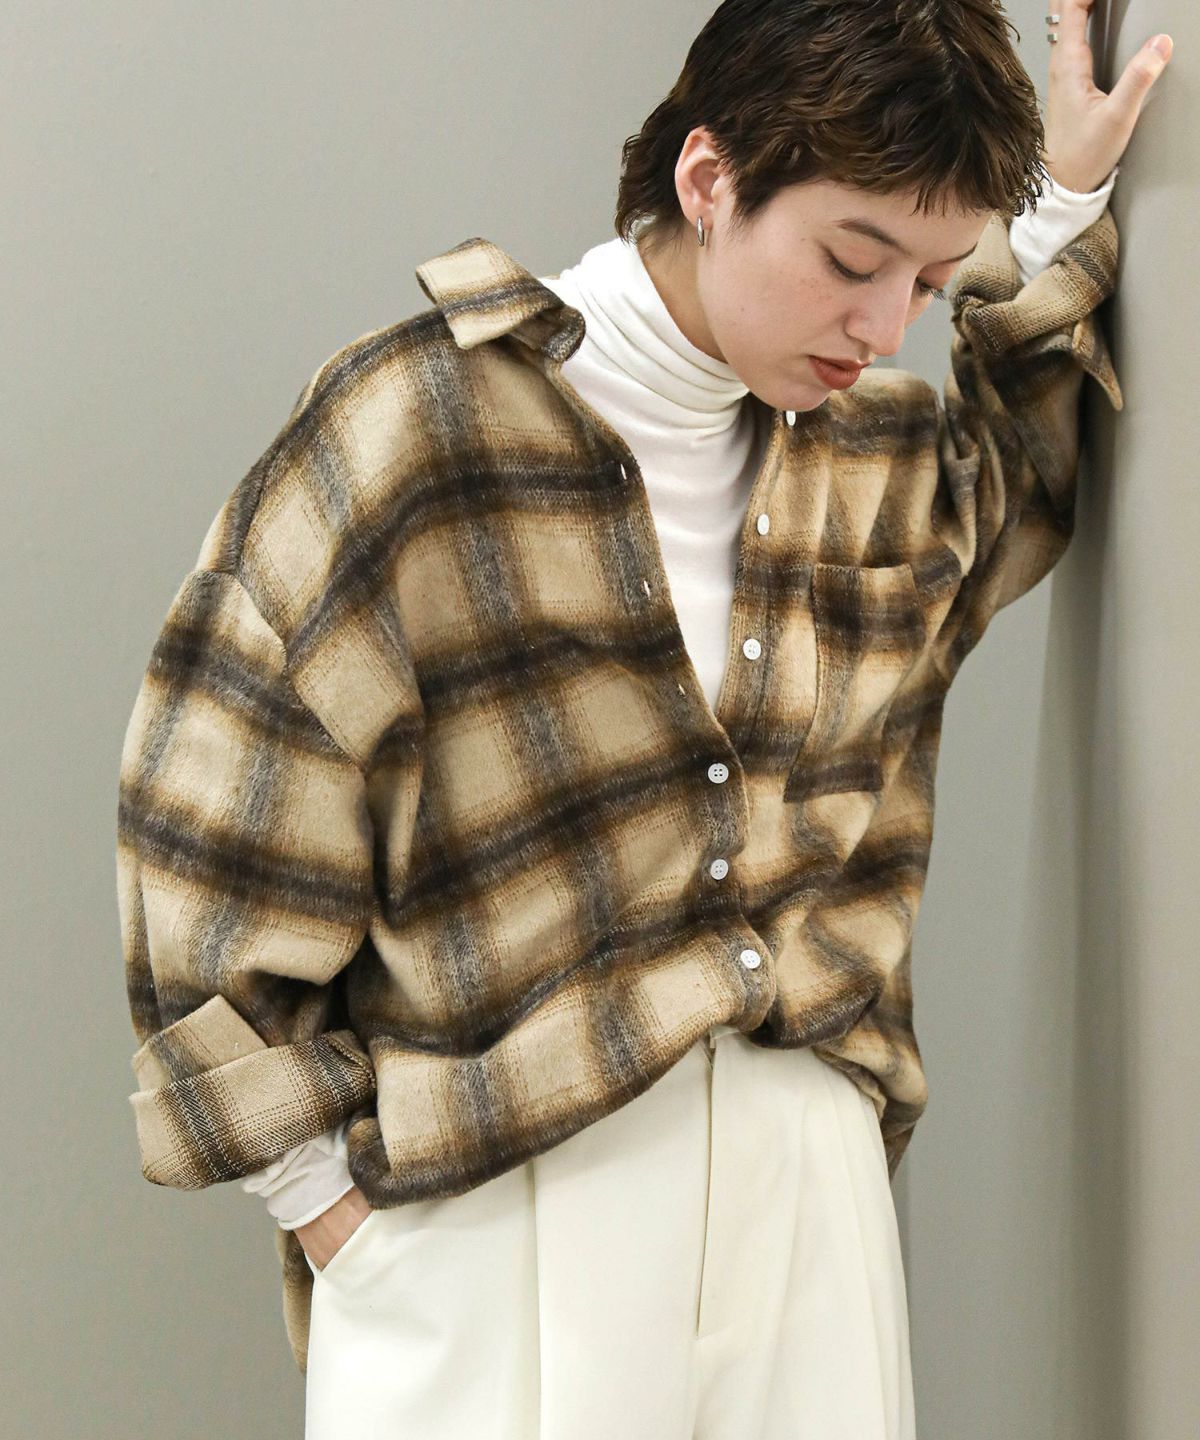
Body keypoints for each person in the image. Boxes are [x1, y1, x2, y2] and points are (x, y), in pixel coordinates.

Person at [116, 2, 1170, 1436]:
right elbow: (209, 822)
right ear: (709, 179)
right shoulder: (419, 432)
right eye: (852, 260)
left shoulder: (870, 456)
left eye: (927, 281)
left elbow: (1016, 487)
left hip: (810, 1200)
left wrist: (1062, 198)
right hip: (502, 1210)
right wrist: (326, 1207)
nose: (884, 327)